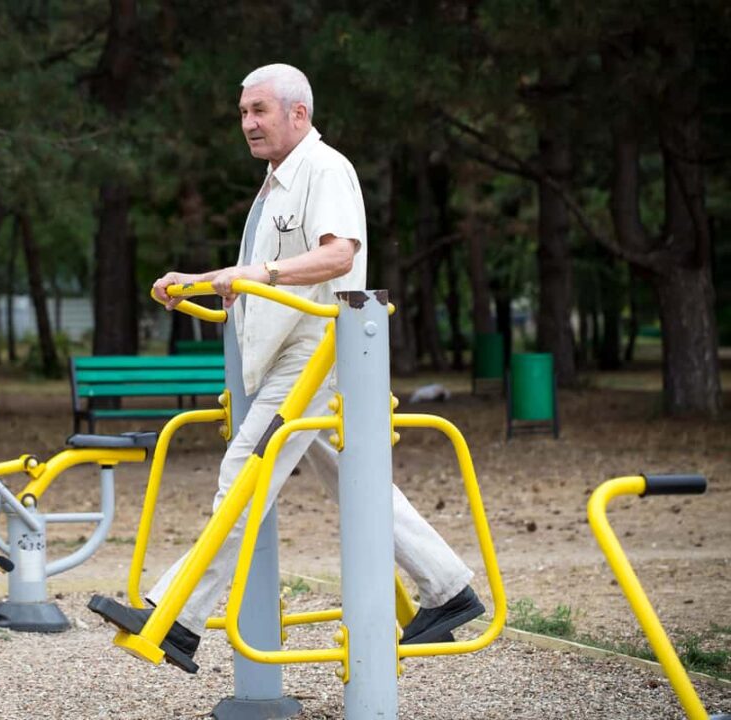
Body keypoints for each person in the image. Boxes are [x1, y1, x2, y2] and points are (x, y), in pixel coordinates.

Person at [89, 63, 483, 672]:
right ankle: (449, 589)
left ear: (298, 114)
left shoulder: (325, 170)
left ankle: (176, 618)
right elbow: (261, 270)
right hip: (290, 354)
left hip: (314, 354)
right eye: (243, 113)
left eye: (259, 111)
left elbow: (337, 254)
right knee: (356, 483)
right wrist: (200, 280)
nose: (247, 123)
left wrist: (258, 275)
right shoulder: (278, 181)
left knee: (244, 474)